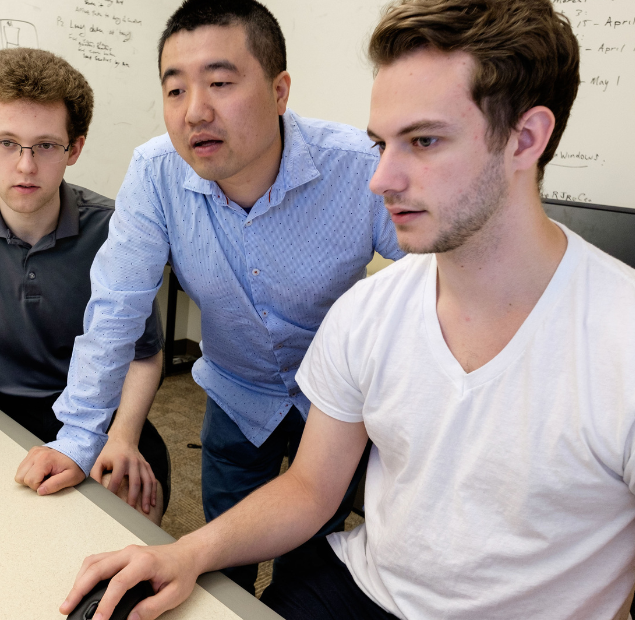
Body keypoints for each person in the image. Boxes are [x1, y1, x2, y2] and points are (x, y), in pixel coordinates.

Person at [60, 0, 635, 619]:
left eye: (423, 140)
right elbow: (308, 488)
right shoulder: (366, 312)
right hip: (317, 510)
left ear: (525, 139)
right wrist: (181, 549)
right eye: (381, 144)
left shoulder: (613, 341)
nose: (379, 179)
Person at [14, 0, 403, 592]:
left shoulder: (356, 168)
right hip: (236, 390)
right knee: (221, 562)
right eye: (175, 91)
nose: (195, 111)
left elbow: (438, 281)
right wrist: (77, 439)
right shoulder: (154, 173)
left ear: (279, 90)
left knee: (313, 563)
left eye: (220, 82)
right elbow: (115, 308)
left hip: (341, 408)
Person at [0, 47, 171, 523]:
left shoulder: (115, 230)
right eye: (7, 143)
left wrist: (122, 437)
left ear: (75, 148)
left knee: (119, 547)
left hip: (105, 422)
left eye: (45, 146)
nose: (25, 166)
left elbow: (143, 354)